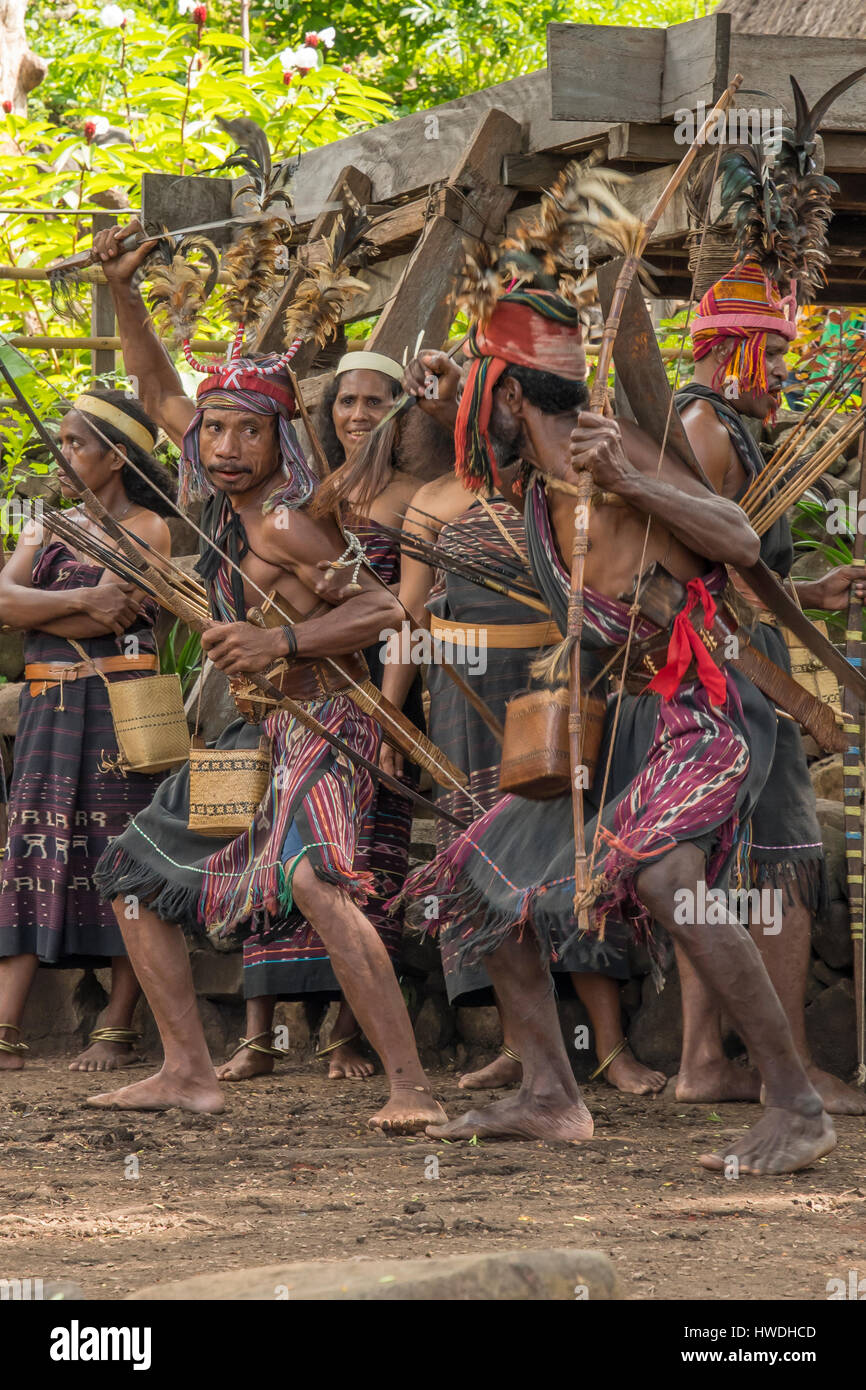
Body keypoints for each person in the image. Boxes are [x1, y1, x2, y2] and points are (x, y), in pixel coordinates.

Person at [404, 280, 835, 1175]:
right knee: (478, 879)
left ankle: (795, 1105)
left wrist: (633, 478)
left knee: (663, 875)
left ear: (513, 396)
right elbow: (423, 465)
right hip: (621, 719)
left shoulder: (617, 444)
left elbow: (739, 542)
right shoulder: (538, 473)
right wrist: (441, 378)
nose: (468, 419)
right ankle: (552, 1096)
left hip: (701, 710)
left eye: (482, 393)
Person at [80, 219, 447, 1133]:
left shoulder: (284, 523)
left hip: (329, 722)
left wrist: (279, 646)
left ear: (279, 440)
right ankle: (187, 1072)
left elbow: (382, 611)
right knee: (134, 877)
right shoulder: (216, 498)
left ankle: (411, 1089)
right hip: (258, 733)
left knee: (318, 885)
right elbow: (160, 386)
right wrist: (125, 291)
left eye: (249, 431)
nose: (226, 445)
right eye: (215, 430)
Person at [384, 348, 665, 1096]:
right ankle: (524, 1047)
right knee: (484, 863)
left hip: (555, 689)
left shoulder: (555, 493)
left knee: (578, 851)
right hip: (461, 704)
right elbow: (407, 615)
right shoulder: (433, 500)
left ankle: (609, 1047)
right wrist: (389, 716)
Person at [217, 349, 443, 1082]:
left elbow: (402, 612)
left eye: (376, 403)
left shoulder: (416, 496)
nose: (357, 415)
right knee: (284, 857)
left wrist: (388, 718)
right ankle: (267, 1033)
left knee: (361, 861)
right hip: (300, 684)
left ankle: (353, 1038)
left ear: (401, 414)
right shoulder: (312, 490)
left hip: (376, 681)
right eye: (345, 402)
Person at [673, 260, 866, 1115]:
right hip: (731, 675)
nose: (787, 371)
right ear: (734, 353)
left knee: (722, 865)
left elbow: (735, 566)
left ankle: (704, 1064)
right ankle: (783, 1069)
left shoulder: (718, 426)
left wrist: (810, 595)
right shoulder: (708, 429)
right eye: (775, 353)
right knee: (777, 858)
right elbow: (699, 577)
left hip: (734, 667)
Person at [0, 390, 173, 1072]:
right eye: (61, 444)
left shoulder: (151, 530)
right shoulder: (46, 524)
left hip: (115, 709)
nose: (63, 458)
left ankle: (118, 1023)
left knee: (120, 852)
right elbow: (10, 603)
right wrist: (76, 600)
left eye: (76, 445)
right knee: (32, 856)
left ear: (118, 457)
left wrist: (36, 613)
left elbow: (114, 616)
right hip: (49, 708)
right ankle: (6, 1027)